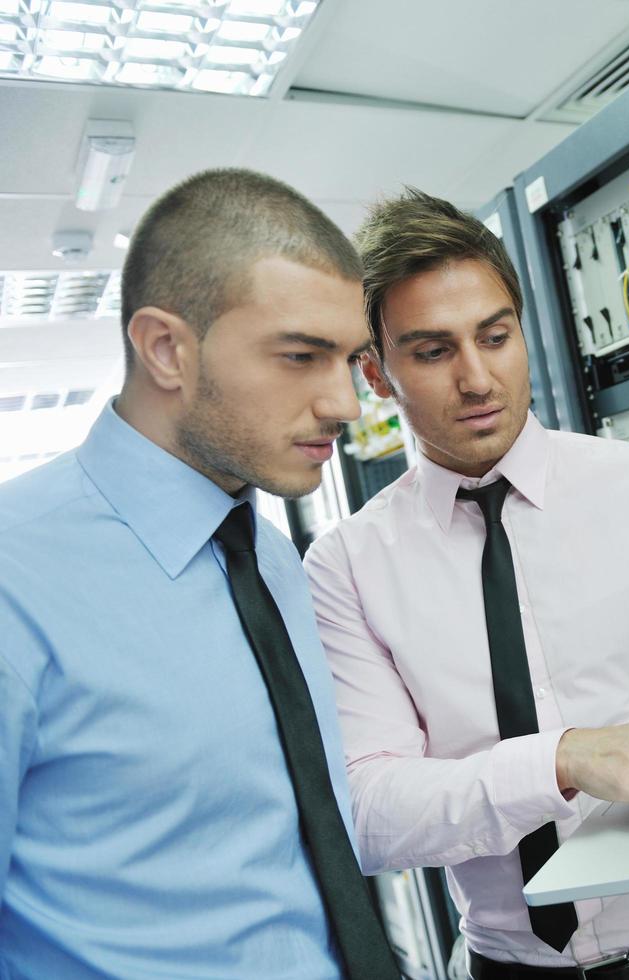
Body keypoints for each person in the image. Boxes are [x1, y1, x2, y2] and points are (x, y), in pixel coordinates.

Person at [303, 188, 629, 979]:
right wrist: (563, 762)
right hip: (514, 967)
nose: (478, 378)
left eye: (496, 337)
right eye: (434, 351)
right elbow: (371, 815)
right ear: (376, 372)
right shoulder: (345, 567)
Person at [0, 169, 398, 980]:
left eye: (351, 359)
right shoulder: (16, 578)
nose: (346, 403)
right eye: (301, 356)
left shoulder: (266, 553)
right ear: (165, 349)